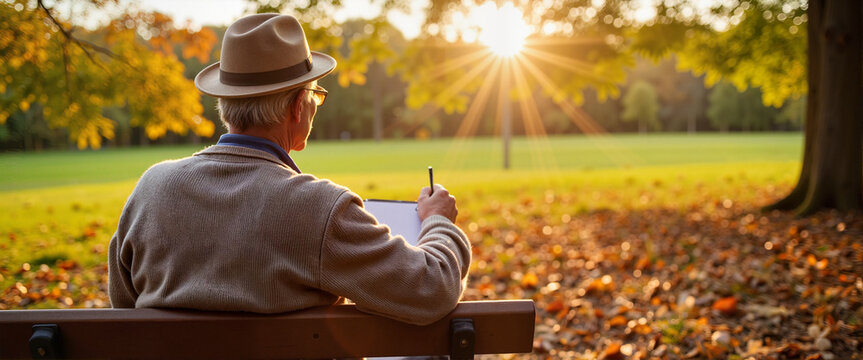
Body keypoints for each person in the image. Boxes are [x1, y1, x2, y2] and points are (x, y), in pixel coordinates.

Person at [108, 13, 471, 326]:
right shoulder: (320, 209)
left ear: (226, 103)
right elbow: (432, 289)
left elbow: (124, 309)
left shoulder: (151, 190)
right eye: (315, 95)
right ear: (298, 106)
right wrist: (437, 222)